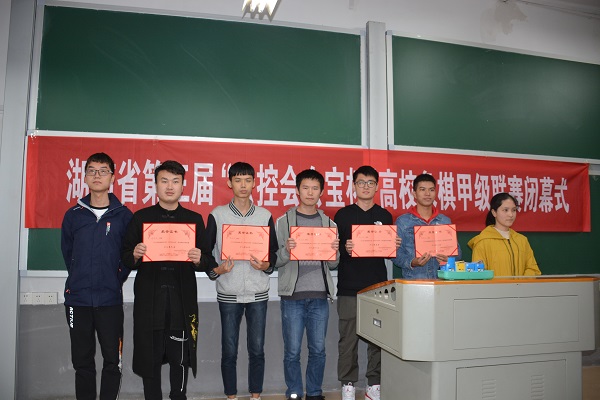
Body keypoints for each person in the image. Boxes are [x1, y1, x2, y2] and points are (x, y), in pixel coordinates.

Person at [121, 160, 213, 400]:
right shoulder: (141, 218)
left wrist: (199, 259)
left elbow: (207, 260)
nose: (170, 186)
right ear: (155, 185)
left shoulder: (193, 219)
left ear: (183, 186)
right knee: (149, 358)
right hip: (150, 301)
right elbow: (125, 256)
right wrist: (135, 254)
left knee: (180, 359)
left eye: (175, 181)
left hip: (180, 301)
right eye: (164, 181)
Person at [61, 152, 133, 400]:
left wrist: (115, 278)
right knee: (82, 362)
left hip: (109, 300)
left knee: (112, 360)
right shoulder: (73, 215)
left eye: (103, 171)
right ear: (84, 176)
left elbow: (128, 256)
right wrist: (80, 277)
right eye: (92, 170)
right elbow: (68, 253)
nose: (97, 175)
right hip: (78, 300)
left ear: (113, 177)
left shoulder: (124, 216)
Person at [206, 161, 279, 400]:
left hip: (258, 293)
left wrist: (266, 265)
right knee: (229, 351)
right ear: (229, 183)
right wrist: (217, 270)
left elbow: (273, 252)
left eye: (248, 180)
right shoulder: (217, 215)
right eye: (238, 180)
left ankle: (255, 395)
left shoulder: (264, 216)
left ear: (255, 183)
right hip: (229, 292)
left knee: (257, 350)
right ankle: (231, 396)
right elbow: (205, 253)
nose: (243, 185)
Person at [334, 165, 401, 400]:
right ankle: (348, 385)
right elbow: (333, 251)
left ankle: (374, 384)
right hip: (348, 287)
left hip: (377, 288)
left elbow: (388, 253)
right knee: (348, 340)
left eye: (370, 183)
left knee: (378, 339)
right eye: (361, 182)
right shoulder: (342, 215)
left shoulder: (385, 216)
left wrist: (393, 245)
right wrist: (344, 248)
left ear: (377, 186)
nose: (366, 186)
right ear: (354, 186)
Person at [274, 169, 340, 400]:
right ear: (297, 190)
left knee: (318, 350)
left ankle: (314, 393)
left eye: (315, 188)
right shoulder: (284, 221)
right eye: (305, 187)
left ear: (321, 192)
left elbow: (333, 265)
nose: (310, 192)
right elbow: (274, 260)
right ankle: (293, 392)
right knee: (292, 351)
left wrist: (334, 252)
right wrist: (286, 250)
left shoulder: (329, 223)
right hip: (292, 296)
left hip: (320, 296)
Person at [394, 173, 461, 279]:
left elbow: (458, 253)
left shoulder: (445, 221)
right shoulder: (403, 222)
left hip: (442, 280)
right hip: (414, 281)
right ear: (414, 194)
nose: (427, 193)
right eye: (422, 189)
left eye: (431, 190)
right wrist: (412, 262)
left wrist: (449, 259)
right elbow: (395, 254)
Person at [468, 192, 541, 276]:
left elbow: (533, 269)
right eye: (505, 210)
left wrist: (521, 282)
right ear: (494, 212)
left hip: (522, 285)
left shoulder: (522, 240)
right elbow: (480, 275)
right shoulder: (482, 241)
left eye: (513, 210)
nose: (511, 214)